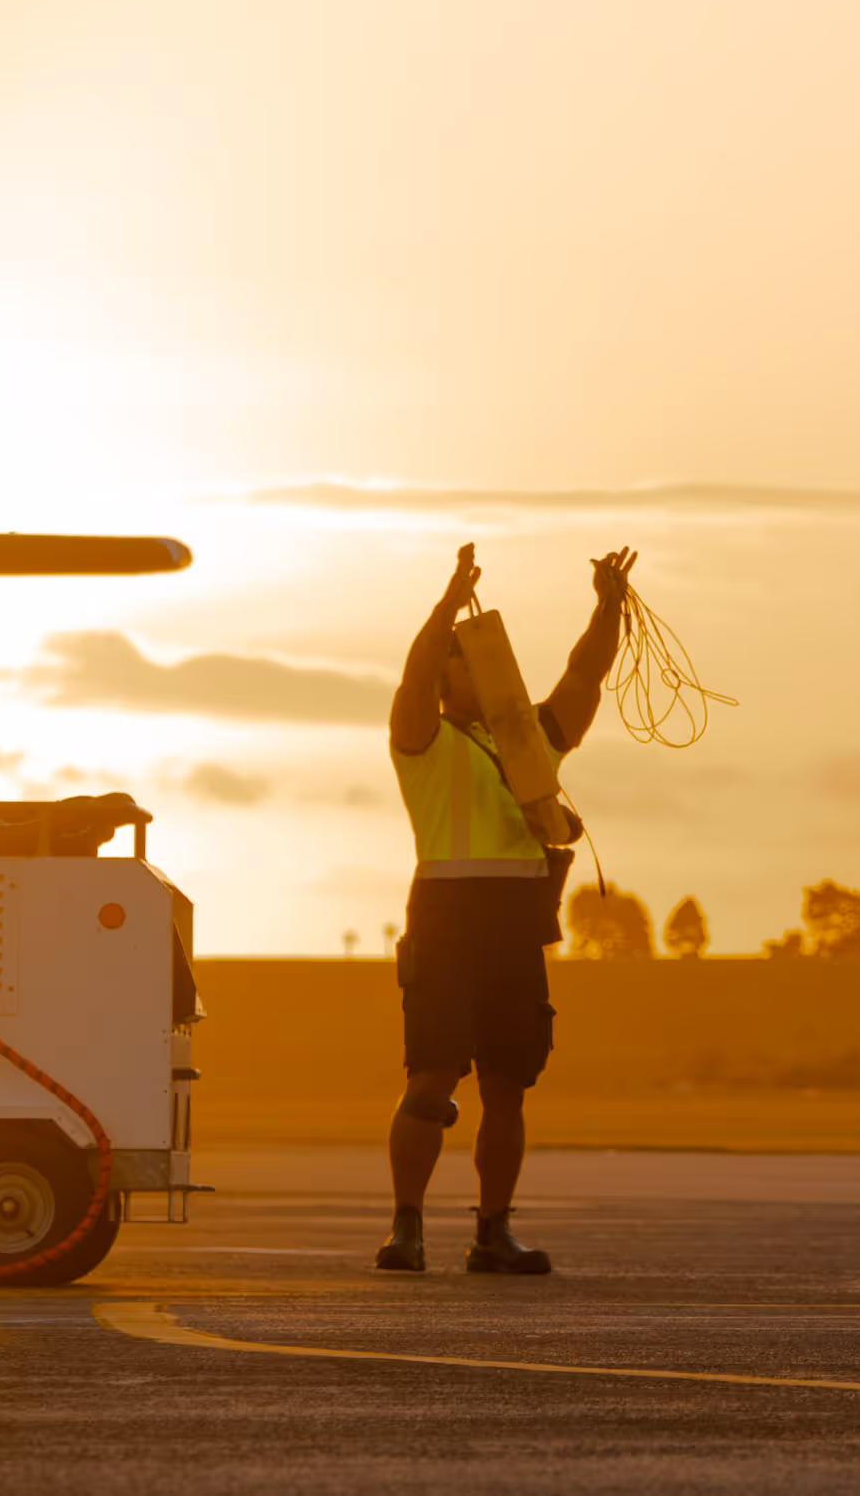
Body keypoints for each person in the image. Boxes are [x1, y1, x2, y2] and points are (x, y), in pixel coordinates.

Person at [374, 541, 635, 1274]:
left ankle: (492, 1231)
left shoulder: (532, 741)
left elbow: (585, 675)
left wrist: (608, 606)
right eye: (463, 658)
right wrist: (447, 606)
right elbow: (414, 675)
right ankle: (407, 1227)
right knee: (427, 1082)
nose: (479, 665)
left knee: (506, 1088)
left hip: (515, 927)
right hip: (445, 922)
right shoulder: (420, 741)